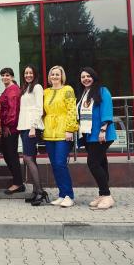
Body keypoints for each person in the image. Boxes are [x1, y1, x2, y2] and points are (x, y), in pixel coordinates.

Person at [77, 67, 117, 209]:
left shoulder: (102, 90)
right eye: (83, 77)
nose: (86, 79)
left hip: (101, 134)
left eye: (88, 76)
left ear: (94, 76)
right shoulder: (84, 93)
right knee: (101, 163)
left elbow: (107, 110)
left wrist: (103, 129)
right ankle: (102, 194)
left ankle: (107, 195)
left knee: (93, 163)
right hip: (89, 135)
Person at [43, 65, 79, 208]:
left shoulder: (68, 90)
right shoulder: (45, 92)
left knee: (60, 163)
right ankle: (62, 194)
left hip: (64, 132)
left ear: (62, 76)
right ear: (49, 77)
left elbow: (71, 110)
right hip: (49, 132)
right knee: (54, 165)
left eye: (57, 74)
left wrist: (70, 129)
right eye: (52, 74)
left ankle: (69, 195)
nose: (55, 77)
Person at [17, 65, 46, 206]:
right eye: (26, 72)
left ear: (35, 74)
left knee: (27, 158)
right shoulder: (26, 88)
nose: (28, 75)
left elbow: (39, 108)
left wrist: (33, 126)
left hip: (31, 127)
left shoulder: (37, 87)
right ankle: (36, 191)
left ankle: (40, 192)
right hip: (24, 127)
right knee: (31, 158)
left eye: (30, 72)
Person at [0, 68, 24, 195]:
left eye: (7, 75)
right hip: (7, 127)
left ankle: (18, 183)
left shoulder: (13, 90)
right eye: (3, 75)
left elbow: (13, 110)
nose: (4, 77)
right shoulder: (8, 89)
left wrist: (7, 125)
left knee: (11, 155)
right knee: (8, 154)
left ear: (12, 76)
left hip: (10, 128)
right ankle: (18, 181)